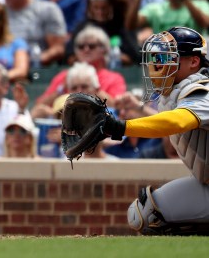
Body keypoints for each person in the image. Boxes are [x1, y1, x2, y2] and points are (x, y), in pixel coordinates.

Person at [88, 26, 209, 235]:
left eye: (165, 58)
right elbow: (166, 121)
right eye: (156, 58)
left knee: (147, 214)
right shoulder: (176, 93)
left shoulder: (202, 89)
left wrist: (120, 127)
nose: (156, 65)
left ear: (194, 61)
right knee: (146, 212)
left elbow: (178, 121)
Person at [34, 26, 127, 109]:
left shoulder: (114, 78)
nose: (86, 49)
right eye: (81, 46)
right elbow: (39, 105)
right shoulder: (64, 76)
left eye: (92, 46)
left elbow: (118, 107)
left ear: (104, 49)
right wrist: (61, 90)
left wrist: (95, 90)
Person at [66, 0, 140, 65]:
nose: (100, 12)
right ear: (89, 7)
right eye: (96, 8)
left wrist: (107, 57)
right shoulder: (82, 28)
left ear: (112, 6)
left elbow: (133, 57)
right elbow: (70, 57)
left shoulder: (122, 26)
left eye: (104, 8)